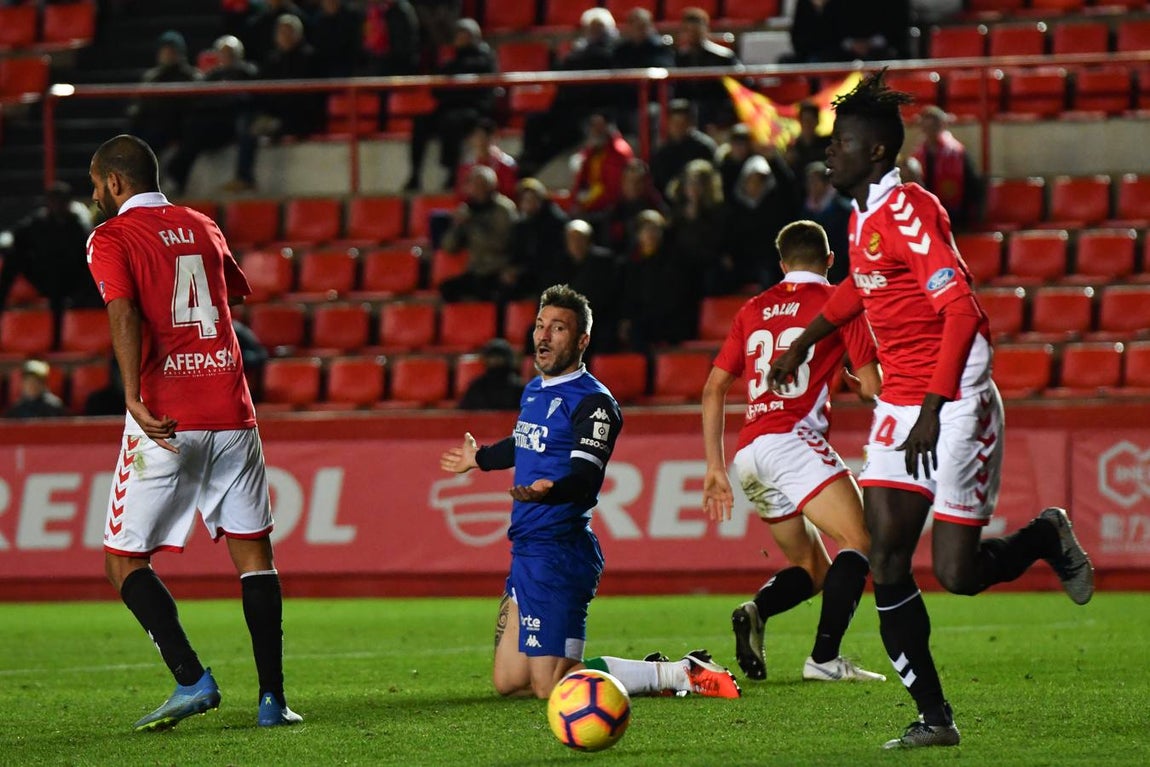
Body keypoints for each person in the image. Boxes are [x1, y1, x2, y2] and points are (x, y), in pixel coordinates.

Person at [766, 71, 1094, 750]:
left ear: (877, 153)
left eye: (844, 144)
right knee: (884, 555)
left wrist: (934, 410)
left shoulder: (910, 210)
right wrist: (804, 339)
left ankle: (1044, 536)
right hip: (904, 402)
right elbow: (862, 283)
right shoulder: (861, 216)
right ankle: (934, 716)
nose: (832, 154)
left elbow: (963, 313)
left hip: (956, 399)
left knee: (957, 574)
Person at [85, 134, 301, 731]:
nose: (94, 194)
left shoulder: (110, 237)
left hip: (166, 419)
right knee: (255, 558)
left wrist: (131, 395)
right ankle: (272, 701)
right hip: (233, 412)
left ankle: (192, 679)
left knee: (123, 561)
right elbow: (230, 291)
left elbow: (123, 311)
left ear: (115, 183)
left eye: (95, 183)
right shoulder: (204, 225)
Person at [439, 284, 741, 700]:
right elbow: (523, 441)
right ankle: (645, 671)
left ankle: (678, 673)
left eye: (557, 328)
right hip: (526, 549)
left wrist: (552, 491)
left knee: (549, 686)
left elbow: (585, 477)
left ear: (582, 341)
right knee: (509, 682)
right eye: (540, 326)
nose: (543, 336)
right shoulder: (535, 391)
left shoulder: (594, 403)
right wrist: (481, 458)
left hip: (560, 551)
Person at [701, 220, 886, 684]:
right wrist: (851, 375)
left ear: (782, 265)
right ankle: (824, 659)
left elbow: (713, 389)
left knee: (812, 568)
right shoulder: (838, 301)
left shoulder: (753, 308)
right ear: (829, 260)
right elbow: (873, 388)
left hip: (749, 453)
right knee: (860, 540)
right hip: (791, 442)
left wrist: (714, 468)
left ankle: (756, 611)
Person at [518, 8, 618, 177]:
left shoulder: (613, 50)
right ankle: (527, 158)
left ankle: (535, 163)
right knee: (534, 120)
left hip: (591, 107)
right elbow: (562, 74)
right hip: (566, 104)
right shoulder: (578, 51)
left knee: (565, 130)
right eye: (590, 27)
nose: (593, 31)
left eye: (598, 27)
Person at [405, 18, 496, 192]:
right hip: (450, 107)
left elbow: (478, 89)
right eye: (458, 35)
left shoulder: (484, 59)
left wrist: (455, 87)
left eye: (465, 35)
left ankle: (452, 173)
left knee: (452, 122)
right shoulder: (451, 61)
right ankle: (415, 174)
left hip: (474, 109)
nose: (460, 39)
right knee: (421, 122)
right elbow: (438, 89)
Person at [0, 182, 100, 334]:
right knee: (14, 255)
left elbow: (85, 261)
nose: (57, 206)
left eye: (61, 202)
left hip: (70, 281)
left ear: (68, 203)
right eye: (54, 202)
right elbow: (15, 240)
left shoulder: (77, 228)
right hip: (43, 276)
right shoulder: (36, 224)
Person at [165, 35, 259, 196]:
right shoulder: (214, 76)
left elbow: (244, 99)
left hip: (232, 122)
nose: (227, 57)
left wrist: (222, 100)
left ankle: (176, 172)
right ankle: (177, 175)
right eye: (223, 53)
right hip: (212, 123)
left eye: (230, 53)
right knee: (192, 127)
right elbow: (200, 98)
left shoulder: (246, 72)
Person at [716, 154, 796, 294]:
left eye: (759, 181)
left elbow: (789, 187)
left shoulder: (775, 206)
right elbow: (727, 235)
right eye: (751, 180)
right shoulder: (734, 208)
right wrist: (726, 254)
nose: (754, 185)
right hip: (739, 261)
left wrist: (774, 159)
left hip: (767, 261)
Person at [439, 165, 519, 303]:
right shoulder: (467, 210)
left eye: (482, 185)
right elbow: (449, 247)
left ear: (492, 187)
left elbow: (502, 243)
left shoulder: (504, 209)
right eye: (474, 185)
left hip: (497, 270)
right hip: (476, 270)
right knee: (447, 289)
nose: (478, 190)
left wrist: (474, 224)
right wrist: (457, 226)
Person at [126, 30, 202, 154]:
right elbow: (140, 103)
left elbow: (196, 105)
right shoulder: (152, 77)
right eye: (165, 50)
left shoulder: (191, 76)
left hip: (180, 124)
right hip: (154, 123)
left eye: (171, 51)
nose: (167, 54)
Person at [251, 14, 324, 140]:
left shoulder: (309, 58)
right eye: (281, 32)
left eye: (289, 32)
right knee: (250, 126)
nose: (285, 36)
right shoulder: (272, 60)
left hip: (302, 115)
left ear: (299, 35)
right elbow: (263, 90)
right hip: (275, 113)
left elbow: (312, 97)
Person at [913, 106, 982, 230]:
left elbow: (972, 186)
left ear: (942, 126)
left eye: (934, 127)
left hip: (954, 215)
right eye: (926, 127)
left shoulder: (957, 153)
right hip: (926, 214)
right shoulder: (918, 154)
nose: (930, 131)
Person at [672, 7, 741, 130]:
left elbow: (739, 85)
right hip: (689, 108)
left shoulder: (723, 56)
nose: (693, 35)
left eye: (696, 30)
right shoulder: (680, 57)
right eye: (689, 30)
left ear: (706, 29)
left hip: (718, 107)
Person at [570, 112, 634, 220]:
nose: (595, 130)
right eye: (593, 125)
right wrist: (576, 203)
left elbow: (613, 191)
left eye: (600, 125)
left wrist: (586, 206)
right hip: (589, 206)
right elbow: (581, 181)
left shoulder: (619, 152)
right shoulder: (592, 150)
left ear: (609, 127)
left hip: (608, 211)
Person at [511, 178, 569, 297]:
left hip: (549, 271)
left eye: (532, 199)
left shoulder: (555, 221)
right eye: (525, 199)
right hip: (528, 271)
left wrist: (522, 270)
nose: (527, 203)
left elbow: (550, 256)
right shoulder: (522, 225)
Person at [649, 99, 718, 200]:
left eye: (683, 123)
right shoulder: (661, 153)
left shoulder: (704, 148)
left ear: (691, 123)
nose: (678, 127)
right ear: (668, 123)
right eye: (675, 122)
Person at [801, 161, 851, 285]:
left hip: (838, 273)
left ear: (826, 184)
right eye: (809, 182)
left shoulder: (843, 210)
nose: (811, 186)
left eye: (815, 182)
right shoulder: (805, 210)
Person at [454, 118, 518, 201]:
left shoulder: (506, 164)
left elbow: (510, 195)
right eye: (475, 136)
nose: (479, 141)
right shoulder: (466, 166)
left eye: (481, 136)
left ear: (493, 138)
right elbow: (460, 194)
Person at [458, 338, 523, 411]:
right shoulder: (476, 387)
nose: (495, 361)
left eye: (499, 357)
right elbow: (464, 415)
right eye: (492, 357)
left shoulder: (519, 388)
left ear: (507, 360)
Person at [785, 101, 831, 197]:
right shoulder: (792, 147)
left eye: (811, 120)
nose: (808, 124)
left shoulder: (827, 145)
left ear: (817, 121)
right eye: (805, 120)